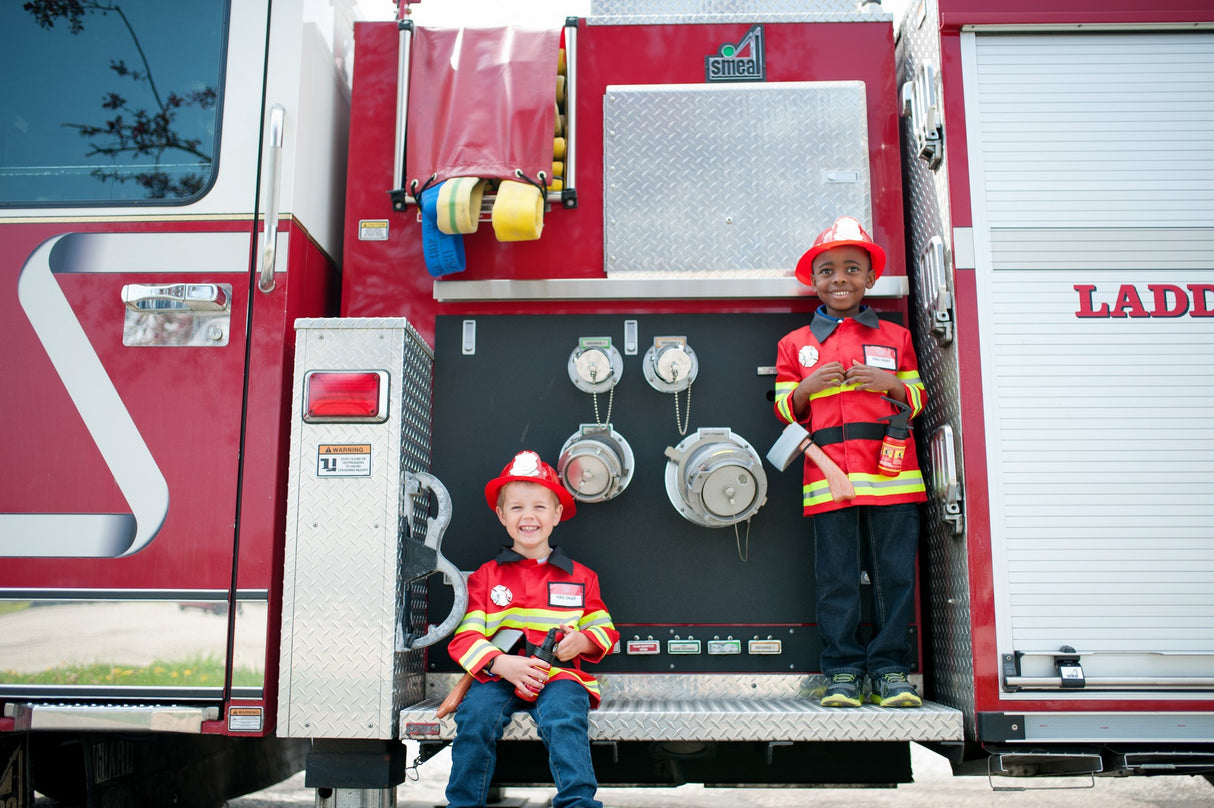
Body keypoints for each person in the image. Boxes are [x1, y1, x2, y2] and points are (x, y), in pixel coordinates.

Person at [773, 216, 928, 709]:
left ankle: (890, 672)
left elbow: (919, 399)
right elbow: (783, 410)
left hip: (893, 479)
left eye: (851, 268)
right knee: (836, 579)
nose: (839, 278)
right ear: (812, 280)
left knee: (895, 577)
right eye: (827, 270)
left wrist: (890, 386)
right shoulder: (795, 344)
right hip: (828, 480)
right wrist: (806, 388)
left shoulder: (896, 336)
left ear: (870, 279)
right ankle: (841, 671)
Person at [445, 450, 619, 808]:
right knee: (474, 719)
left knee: (565, 721)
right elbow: (465, 638)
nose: (529, 516)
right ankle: (462, 804)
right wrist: (500, 664)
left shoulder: (581, 577)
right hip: (498, 675)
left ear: (556, 514)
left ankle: (578, 804)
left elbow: (605, 630)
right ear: (501, 515)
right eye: (517, 507)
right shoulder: (486, 576)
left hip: (558, 675)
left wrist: (581, 643)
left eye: (540, 507)